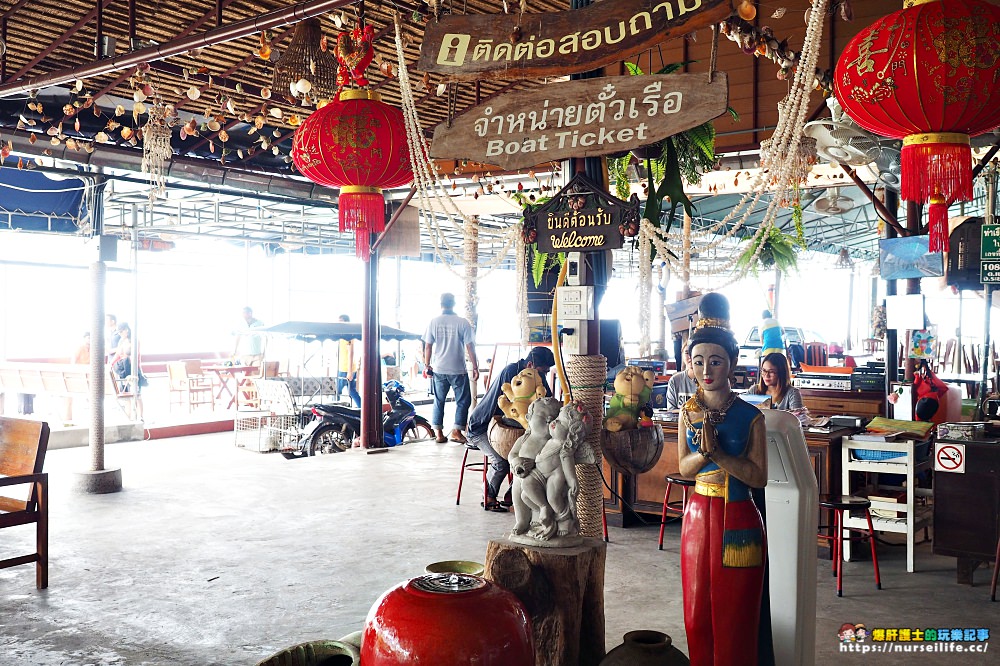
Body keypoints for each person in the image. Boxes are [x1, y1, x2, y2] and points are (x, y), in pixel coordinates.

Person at [678, 293, 767, 666]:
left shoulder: (750, 417)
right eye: (698, 362)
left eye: (715, 361)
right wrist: (703, 454)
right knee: (697, 614)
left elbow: (758, 477)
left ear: (732, 364)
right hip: (698, 514)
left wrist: (720, 455)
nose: (706, 370)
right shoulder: (689, 411)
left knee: (735, 616)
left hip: (739, 518)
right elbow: (684, 468)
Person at [466, 346, 555, 512]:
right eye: (543, 371)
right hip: (481, 427)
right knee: (503, 461)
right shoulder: (512, 373)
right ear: (530, 365)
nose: (544, 374)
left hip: (506, 427)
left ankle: (511, 495)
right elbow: (515, 410)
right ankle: (489, 496)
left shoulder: (536, 376)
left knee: (530, 458)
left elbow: (547, 400)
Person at [423, 293, 479, 444]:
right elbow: (470, 346)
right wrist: (475, 366)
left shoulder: (433, 322)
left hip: (439, 369)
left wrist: (426, 365)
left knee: (438, 400)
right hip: (458, 370)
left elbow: (428, 346)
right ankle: (456, 431)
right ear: (454, 303)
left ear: (441, 304)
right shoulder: (462, 322)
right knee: (463, 401)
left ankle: (439, 434)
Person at [110, 322, 145, 421]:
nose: (120, 334)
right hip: (123, 369)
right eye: (119, 332)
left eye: (121, 332)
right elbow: (117, 354)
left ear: (126, 330)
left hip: (133, 369)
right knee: (126, 396)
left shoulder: (134, 341)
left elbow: (135, 355)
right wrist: (111, 364)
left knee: (136, 394)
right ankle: (129, 418)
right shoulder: (121, 341)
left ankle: (140, 416)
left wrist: (127, 357)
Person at [913, 358, 949, 423]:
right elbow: (943, 388)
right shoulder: (929, 380)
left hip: (924, 404)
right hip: (932, 402)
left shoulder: (920, 379)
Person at [336, 314, 361, 407]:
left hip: (345, 368)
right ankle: (361, 408)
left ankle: (333, 409)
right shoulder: (341, 336)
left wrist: (349, 372)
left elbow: (351, 353)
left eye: (340, 322)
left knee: (337, 391)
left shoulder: (348, 336)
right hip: (344, 367)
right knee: (352, 391)